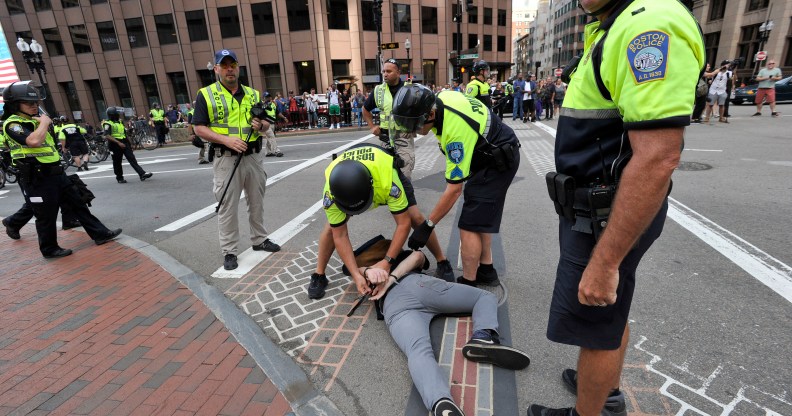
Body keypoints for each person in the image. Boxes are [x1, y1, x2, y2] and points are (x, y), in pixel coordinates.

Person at [527, 0, 705, 415]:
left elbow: (659, 156)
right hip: (595, 209)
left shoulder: (649, 24)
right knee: (610, 309)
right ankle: (603, 392)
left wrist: (605, 262)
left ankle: (591, 409)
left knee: (596, 319)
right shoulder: (616, 23)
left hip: (603, 217)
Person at [361, 249, 531, 416]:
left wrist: (375, 274)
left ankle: (441, 402)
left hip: (394, 305)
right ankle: (483, 336)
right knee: (484, 297)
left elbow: (356, 271)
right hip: (417, 285)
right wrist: (386, 274)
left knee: (417, 350)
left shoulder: (362, 271)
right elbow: (418, 256)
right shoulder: (399, 255)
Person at [391, 84, 521, 287]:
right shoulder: (442, 98)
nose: (414, 132)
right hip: (489, 153)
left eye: (416, 125)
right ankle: (486, 270)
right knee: (479, 217)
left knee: (468, 225)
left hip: (497, 162)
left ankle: (469, 283)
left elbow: (453, 190)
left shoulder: (454, 134)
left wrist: (427, 226)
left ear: (431, 114)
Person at [307, 143, 456, 299]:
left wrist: (387, 262)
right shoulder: (331, 195)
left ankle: (442, 261)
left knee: (414, 217)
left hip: (382, 173)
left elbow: (403, 224)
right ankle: (319, 274)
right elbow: (340, 236)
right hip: (354, 183)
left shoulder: (388, 182)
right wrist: (356, 276)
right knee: (332, 228)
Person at [0, 80, 122, 258]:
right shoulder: (13, 124)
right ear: (14, 104)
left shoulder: (33, 120)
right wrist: (44, 122)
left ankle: (100, 234)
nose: (34, 106)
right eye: (29, 103)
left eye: (36, 103)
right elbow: (33, 141)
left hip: (56, 173)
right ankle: (49, 249)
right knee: (46, 214)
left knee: (79, 203)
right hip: (37, 176)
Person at [192, 49, 281, 271]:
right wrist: (226, 140)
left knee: (257, 202)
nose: (229, 69)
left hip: (253, 157)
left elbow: (267, 122)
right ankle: (230, 251)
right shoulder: (206, 94)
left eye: (233, 65)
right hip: (227, 158)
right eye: (224, 65)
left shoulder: (252, 93)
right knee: (227, 207)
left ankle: (259, 239)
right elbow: (199, 127)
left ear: (238, 67)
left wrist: (261, 126)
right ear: (216, 69)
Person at [363, 58, 417, 179]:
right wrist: (372, 126)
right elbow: (365, 109)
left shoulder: (410, 89)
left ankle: (405, 196)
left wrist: (415, 126)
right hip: (385, 137)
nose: (385, 74)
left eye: (389, 71)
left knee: (404, 175)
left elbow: (422, 111)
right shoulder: (378, 91)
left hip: (404, 136)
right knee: (387, 176)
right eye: (384, 71)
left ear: (398, 73)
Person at [102, 107, 154, 184]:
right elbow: (107, 135)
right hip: (114, 144)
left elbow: (124, 134)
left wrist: (130, 144)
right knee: (117, 162)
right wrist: (118, 143)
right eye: (116, 114)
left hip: (124, 142)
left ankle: (142, 174)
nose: (118, 115)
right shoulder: (107, 123)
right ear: (112, 115)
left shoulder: (120, 122)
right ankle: (119, 178)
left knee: (132, 159)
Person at [261, 92, 285, 157]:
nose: (268, 98)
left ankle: (268, 152)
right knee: (272, 137)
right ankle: (276, 151)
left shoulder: (273, 105)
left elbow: (277, 113)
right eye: (266, 97)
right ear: (263, 98)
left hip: (272, 123)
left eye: (269, 96)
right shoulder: (262, 105)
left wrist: (284, 118)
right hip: (266, 124)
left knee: (269, 138)